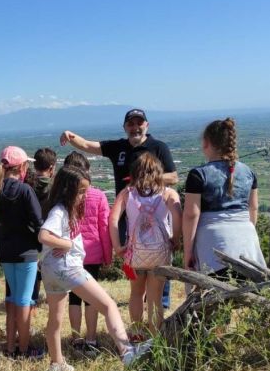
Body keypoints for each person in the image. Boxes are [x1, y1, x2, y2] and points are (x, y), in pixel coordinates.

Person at [60, 108, 178, 308]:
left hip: (156, 215)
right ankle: (139, 296)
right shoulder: (119, 147)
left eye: (139, 123)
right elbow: (90, 146)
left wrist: (142, 181)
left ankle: (160, 300)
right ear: (125, 127)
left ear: (146, 125)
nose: (135, 127)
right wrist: (70, 137)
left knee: (158, 254)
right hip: (127, 215)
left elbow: (173, 177)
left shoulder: (158, 147)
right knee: (133, 258)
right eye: (131, 124)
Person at [39, 165, 146, 371]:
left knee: (55, 318)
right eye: (80, 192)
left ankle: (57, 364)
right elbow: (43, 236)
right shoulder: (60, 211)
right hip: (67, 267)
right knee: (109, 306)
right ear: (67, 190)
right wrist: (66, 244)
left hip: (52, 270)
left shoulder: (62, 209)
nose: (83, 196)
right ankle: (127, 353)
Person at [182, 118, 264, 279]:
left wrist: (188, 251)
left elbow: (191, 215)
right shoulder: (248, 171)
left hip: (213, 241)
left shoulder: (198, 174)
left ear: (206, 143)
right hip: (247, 239)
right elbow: (253, 208)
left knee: (213, 297)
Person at [110, 154, 182, 335]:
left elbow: (112, 220)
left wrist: (118, 246)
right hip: (160, 254)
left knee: (135, 294)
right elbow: (178, 216)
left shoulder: (127, 193)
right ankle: (154, 337)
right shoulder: (168, 193)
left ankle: (136, 333)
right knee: (155, 298)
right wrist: (176, 239)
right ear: (159, 172)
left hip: (135, 253)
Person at [0, 146, 44, 358]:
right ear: (23, 167)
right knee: (24, 301)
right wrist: (39, 246)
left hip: (6, 252)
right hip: (26, 252)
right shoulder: (24, 190)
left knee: (12, 299)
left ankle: (11, 348)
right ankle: (24, 349)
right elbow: (39, 224)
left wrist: (3, 238)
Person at [61, 153, 112, 351]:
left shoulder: (62, 197)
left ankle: (75, 338)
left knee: (74, 297)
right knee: (92, 298)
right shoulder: (98, 196)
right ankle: (91, 338)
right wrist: (108, 255)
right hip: (92, 252)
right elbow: (104, 227)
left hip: (70, 253)